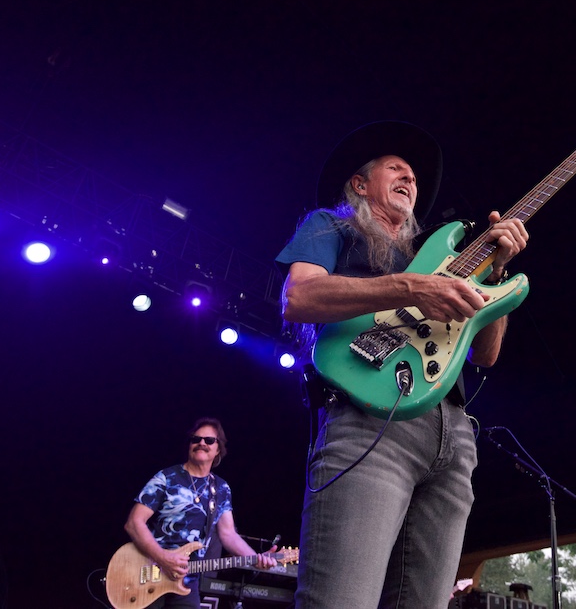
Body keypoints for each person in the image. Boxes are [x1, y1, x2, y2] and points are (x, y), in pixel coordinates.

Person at [275, 120, 528, 608]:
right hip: (369, 417)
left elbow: (485, 354)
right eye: (396, 168)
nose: (410, 178)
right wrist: (411, 287)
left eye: (413, 175)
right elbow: (299, 297)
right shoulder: (330, 225)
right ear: (359, 184)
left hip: (453, 437)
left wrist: (496, 271)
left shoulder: (438, 257)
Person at [124, 417, 277, 609]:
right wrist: (163, 557)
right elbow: (134, 523)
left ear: (218, 449)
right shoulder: (167, 478)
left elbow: (228, 534)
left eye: (209, 440)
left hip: (187, 582)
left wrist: (255, 558)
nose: (201, 443)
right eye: (196, 439)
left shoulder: (221, 488)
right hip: (151, 571)